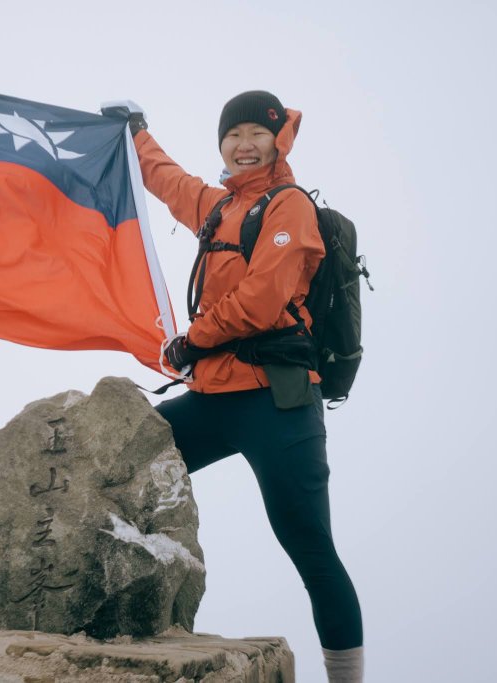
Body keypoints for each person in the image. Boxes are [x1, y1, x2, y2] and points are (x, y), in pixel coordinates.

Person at [127, 91, 364, 683]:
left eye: (257, 132)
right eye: (233, 135)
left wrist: (194, 338)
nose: (243, 144)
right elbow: (169, 181)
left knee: (309, 545)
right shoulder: (217, 207)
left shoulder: (289, 207)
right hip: (213, 400)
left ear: (279, 140)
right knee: (121, 463)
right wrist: (134, 134)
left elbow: (263, 298)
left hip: (278, 403)